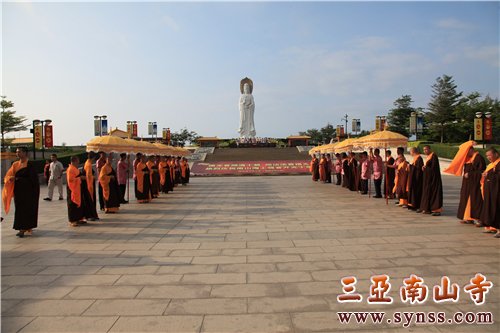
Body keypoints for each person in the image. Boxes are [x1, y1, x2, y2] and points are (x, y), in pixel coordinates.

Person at [444, 141, 486, 225]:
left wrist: (470, 174)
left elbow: (482, 171)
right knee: (465, 199)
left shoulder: (478, 158)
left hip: (475, 184)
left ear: (470, 150)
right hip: (467, 183)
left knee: (476, 201)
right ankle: (468, 217)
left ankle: (479, 219)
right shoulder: (469, 158)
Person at [2, 147, 40, 238]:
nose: (17, 153)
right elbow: (8, 176)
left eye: (19, 152)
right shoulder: (15, 164)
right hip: (19, 191)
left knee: (28, 209)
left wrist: (17, 179)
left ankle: (24, 228)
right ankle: (21, 228)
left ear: (25, 153)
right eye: (16, 152)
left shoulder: (30, 165)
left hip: (29, 192)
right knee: (20, 210)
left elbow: (33, 180)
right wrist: (10, 179)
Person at [480, 148, 499, 238]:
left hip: (497, 192)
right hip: (490, 190)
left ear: (496, 154)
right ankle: (492, 227)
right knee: (490, 208)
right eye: (487, 156)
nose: (488, 157)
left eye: (490, 155)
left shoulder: (498, 164)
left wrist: (489, 175)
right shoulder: (492, 165)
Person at [419, 145, 443, 216]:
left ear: (429, 149)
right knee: (428, 192)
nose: (425, 151)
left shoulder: (433, 156)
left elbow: (434, 168)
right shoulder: (428, 156)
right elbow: (428, 166)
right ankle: (428, 208)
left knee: (434, 193)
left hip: (434, 179)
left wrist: (426, 168)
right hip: (429, 179)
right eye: (424, 150)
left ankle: (436, 210)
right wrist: (424, 167)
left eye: (426, 149)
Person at [66, 156, 85, 227]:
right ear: (74, 161)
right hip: (72, 189)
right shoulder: (70, 169)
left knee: (79, 204)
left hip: (77, 188)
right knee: (72, 205)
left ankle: (79, 218)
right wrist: (80, 178)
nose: (78, 162)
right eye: (77, 161)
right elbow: (71, 180)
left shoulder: (75, 168)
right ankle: (72, 220)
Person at [81, 152, 99, 221]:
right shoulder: (88, 165)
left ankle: (92, 215)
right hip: (89, 185)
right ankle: (90, 215)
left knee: (89, 201)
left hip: (88, 184)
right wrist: (93, 177)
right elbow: (88, 176)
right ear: (93, 157)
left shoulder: (87, 163)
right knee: (89, 201)